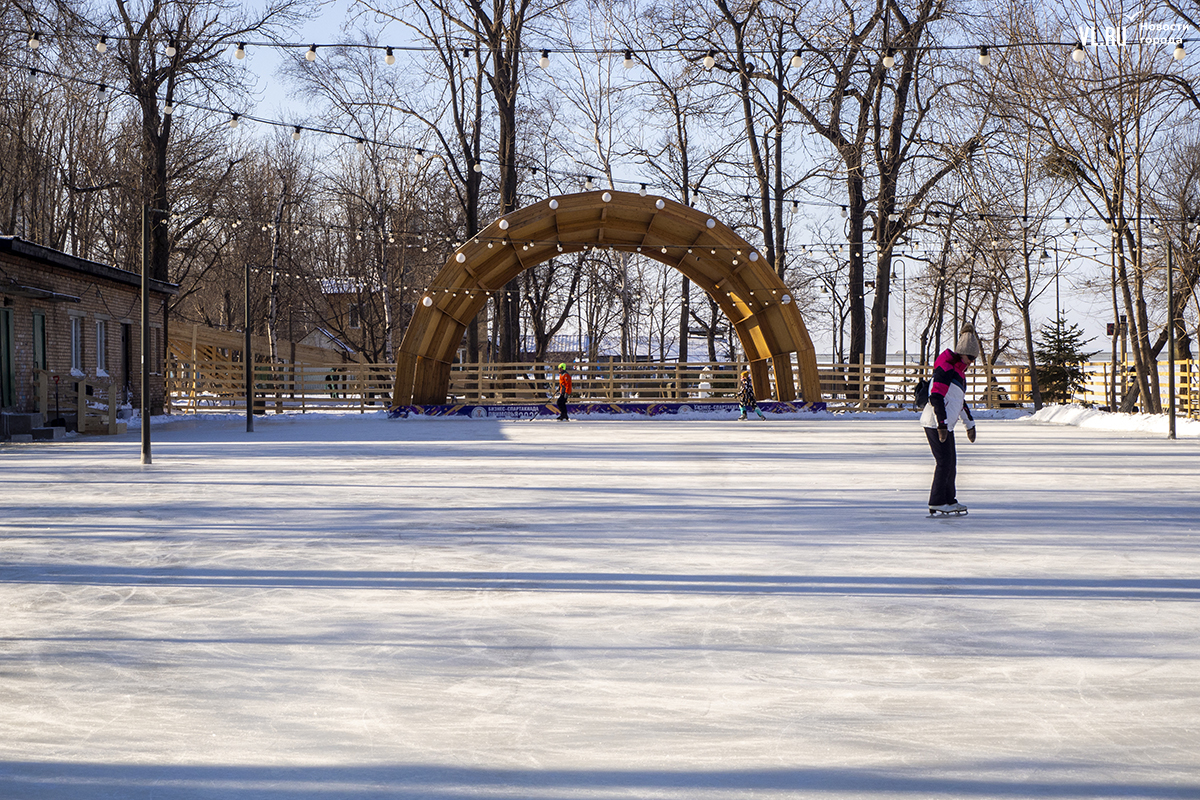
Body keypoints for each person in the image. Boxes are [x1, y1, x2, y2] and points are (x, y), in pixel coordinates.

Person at [921, 323, 979, 515]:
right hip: (935, 423)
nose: (971, 361)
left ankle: (948, 499)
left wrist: (969, 424)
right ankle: (937, 500)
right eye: (970, 357)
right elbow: (936, 396)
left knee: (951, 463)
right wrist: (941, 424)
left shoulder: (959, 373)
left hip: (946, 424)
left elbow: (959, 401)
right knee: (944, 462)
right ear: (962, 352)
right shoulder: (945, 368)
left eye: (974, 358)